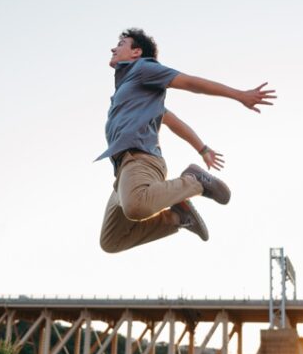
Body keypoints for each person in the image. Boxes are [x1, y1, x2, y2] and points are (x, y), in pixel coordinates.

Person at [97, 28, 276, 253]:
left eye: (121, 44)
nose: (114, 48)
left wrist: (239, 95)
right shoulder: (132, 93)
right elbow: (174, 122)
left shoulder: (142, 69)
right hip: (123, 172)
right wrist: (202, 148)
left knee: (137, 207)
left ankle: (194, 181)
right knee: (111, 241)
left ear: (136, 52)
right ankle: (177, 217)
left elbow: (190, 82)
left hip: (141, 160)